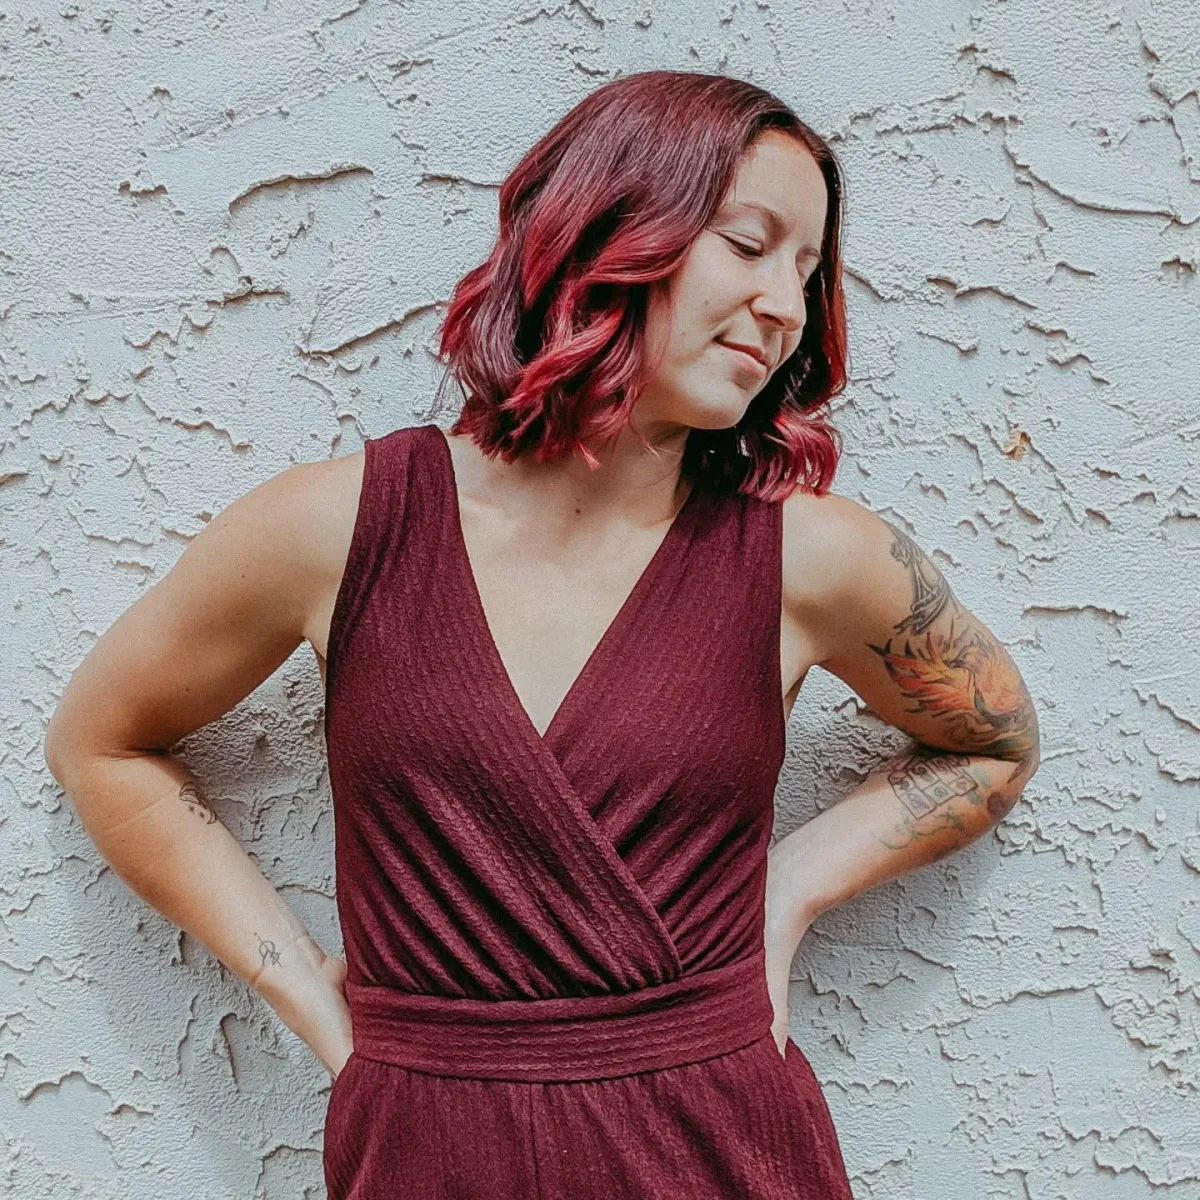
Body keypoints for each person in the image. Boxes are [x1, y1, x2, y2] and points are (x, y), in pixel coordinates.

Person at [43, 69, 1040, 1199]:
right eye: (750, 244)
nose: (785, 305)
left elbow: (995, 740)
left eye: (809, 273)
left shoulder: (808, 555)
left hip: (718, 1139)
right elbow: (103, 742)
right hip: (426, 1151)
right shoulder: (339, 527)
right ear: (611, 231)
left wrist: (791, 885)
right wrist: (310, 1000)